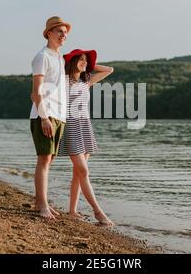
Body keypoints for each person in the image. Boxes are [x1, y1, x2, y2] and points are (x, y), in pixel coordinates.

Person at [58, 49, 115, 226]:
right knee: (83, 171)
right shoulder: (62, 80)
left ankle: (72, 211)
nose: (84, 62)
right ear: (72, 61)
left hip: (85, 127)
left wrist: (88, 64)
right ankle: (98, 212)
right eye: (80, 59)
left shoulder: (86, 81)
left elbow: (109, 70)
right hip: (70, 127)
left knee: (78, 173)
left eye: (86, 60)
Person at [29, 16, 71, 219]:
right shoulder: (42, 56)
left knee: (50, 159)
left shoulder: (60, 58)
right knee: (44, 158)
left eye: (65, 32)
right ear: (49, 33)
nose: (64, 35)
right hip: (44, 114)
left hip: (59, 116)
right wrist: (44, 117)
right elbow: (36, 92)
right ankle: (43, 205)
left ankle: (40, 202)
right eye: (59, 31)